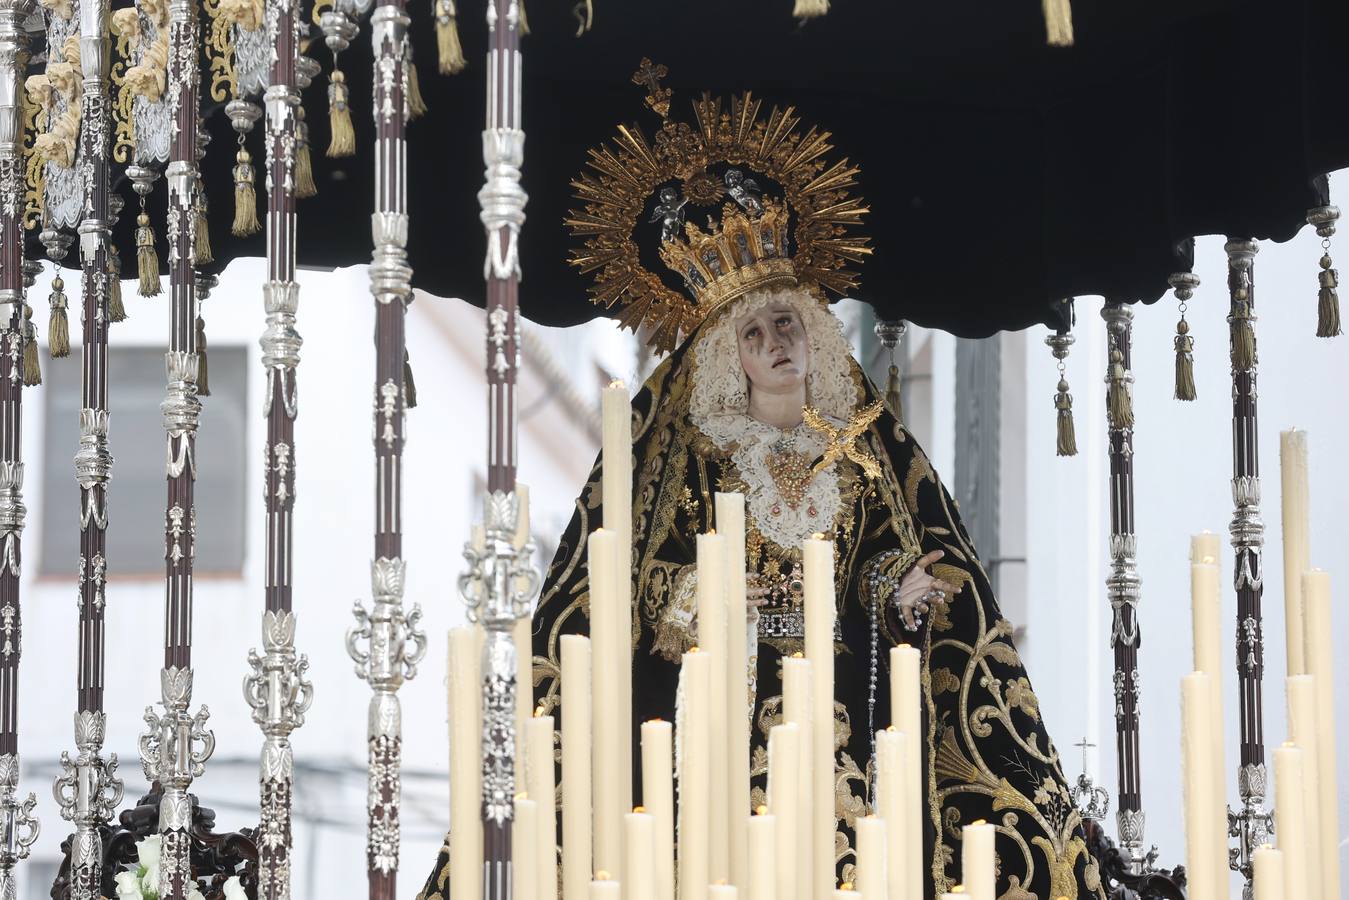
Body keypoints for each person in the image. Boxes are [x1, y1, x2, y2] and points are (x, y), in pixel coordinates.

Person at [420, 67, 1103, 900]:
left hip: (844, 724)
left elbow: (887, 558)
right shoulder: (689, 455)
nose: (776, 342)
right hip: (715, 727)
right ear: (727, 358)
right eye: (753, 332)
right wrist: (701, 597)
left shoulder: (864, 451)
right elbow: (625, 586)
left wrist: (901, 590)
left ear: (813, 331)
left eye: (787, 323)